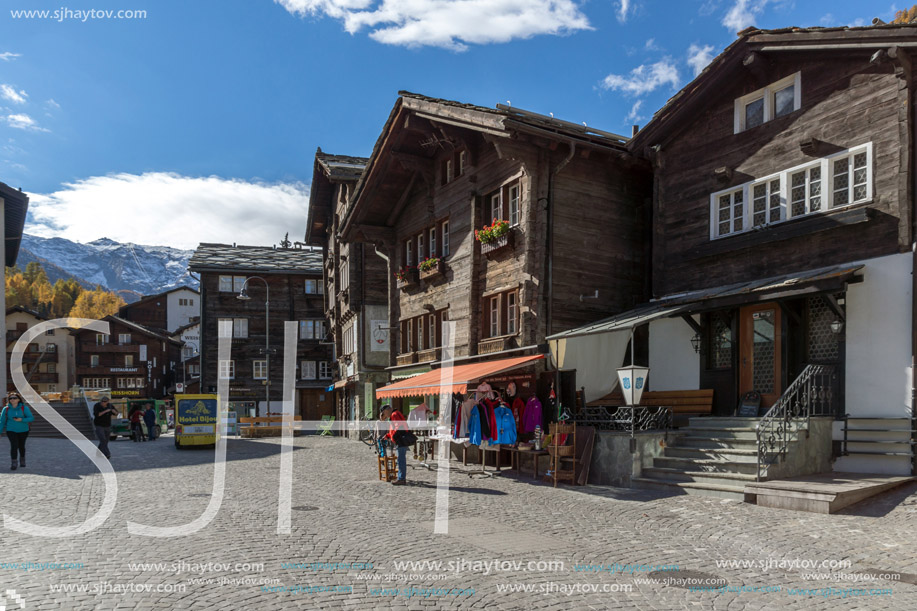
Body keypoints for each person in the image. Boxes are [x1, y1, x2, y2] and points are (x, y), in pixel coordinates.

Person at [0, 393, 34, 470]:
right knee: (14, 446)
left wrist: (21, 419)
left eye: (14, 398)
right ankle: (14, 463)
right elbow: (1, 421)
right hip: (11, 430)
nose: (12, 399)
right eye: (10, 398)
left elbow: (31, 418)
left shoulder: (24, 408)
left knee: (21, 446)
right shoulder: (6, 409)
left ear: (18, 399)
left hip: (23, 430)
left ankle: (22, 460)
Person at [380, 405, 409, 486]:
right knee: (400, 459)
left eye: (384, 413)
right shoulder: (395, 414)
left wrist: (394, 436)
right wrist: (387, 436)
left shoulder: (394, 415)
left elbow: (398, 427)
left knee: (401, 460)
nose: (385, 415)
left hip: (400, 440)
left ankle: (401, 479)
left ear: (386, 411)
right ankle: (401, 477)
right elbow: (394, 429)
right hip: (400, 439)